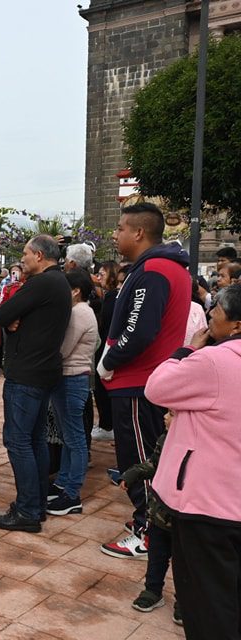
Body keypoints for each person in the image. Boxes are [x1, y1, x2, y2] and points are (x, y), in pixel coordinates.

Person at [98, 203, 191, 559]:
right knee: (149, 454)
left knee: (139, 459)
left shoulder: (154, 271)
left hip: (138, 382)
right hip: (145, 378)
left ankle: (148, 530)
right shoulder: (166, 268)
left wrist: (109, 361)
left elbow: (139, 331)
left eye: (121, 228)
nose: (116, 234)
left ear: (138, 232)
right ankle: (150, 524)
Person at [149, 284, 241, 638]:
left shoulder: (213, 360)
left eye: (216, 311)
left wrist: (185, 349)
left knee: (208, 604)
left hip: (208, 504)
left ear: (234, 324)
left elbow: (157, 388)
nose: (210, 317)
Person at [0, 235, 72, 532]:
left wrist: (13, 317)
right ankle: (35, 505)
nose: (22, 259)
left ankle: (27, 510)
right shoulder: (59, 282)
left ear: (38, 255)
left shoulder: (42, 283)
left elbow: (3, 313)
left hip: (27, 374)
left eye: (25, 253)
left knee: (18, 441)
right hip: (43, 371)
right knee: (34, 440)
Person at [46, 270, 100, 516]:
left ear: (76, 290)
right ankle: (63, 483)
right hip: (69, 378)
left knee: (75, 438)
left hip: (72, 379)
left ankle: (72, 493)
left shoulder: (80, 313)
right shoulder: (81, 311)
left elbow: (63, 349)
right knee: (70, 436)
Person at [121, 415, 179, 624]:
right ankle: (152, 591)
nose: (164, 417)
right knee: (157, 557)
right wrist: (134, 473)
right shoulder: (165, 438)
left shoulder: (199, 446)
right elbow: (154, 463)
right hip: (159, 514)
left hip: (184, 518)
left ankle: (184, 601)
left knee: (185, 563)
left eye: (171, 414)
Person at [91, 260, 120, 441]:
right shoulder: (109, 296)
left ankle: (107, 425)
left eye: (102, 273)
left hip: (106, 348)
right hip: (104, 346)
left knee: (102, 388)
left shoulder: (113, 297)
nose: (99, 276)